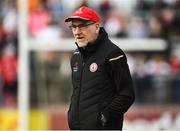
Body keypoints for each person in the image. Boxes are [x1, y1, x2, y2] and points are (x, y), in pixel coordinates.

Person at [64, 6, 135, 130]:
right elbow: (77, 92)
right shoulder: (76, 57)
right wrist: (72, 116)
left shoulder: (113, 54)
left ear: (97, 27)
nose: (77, 31)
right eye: (74, 27)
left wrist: (104, 118)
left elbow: (126, 94)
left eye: (82, 26)